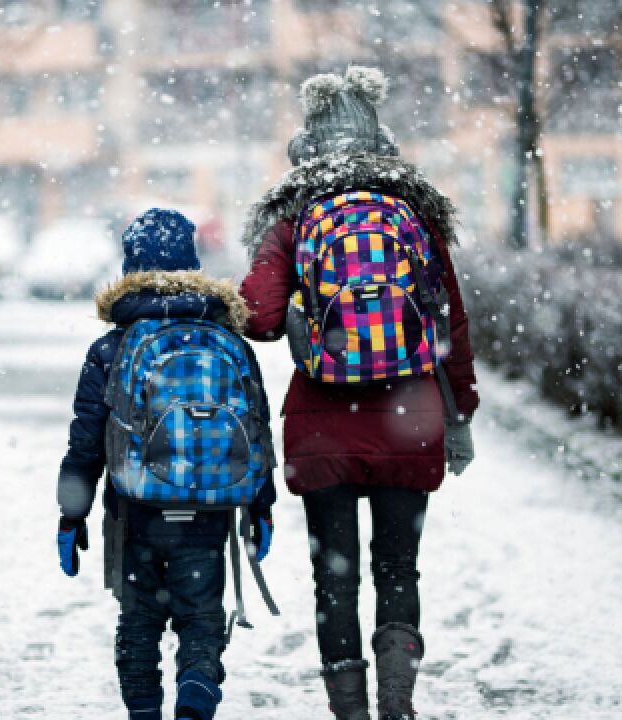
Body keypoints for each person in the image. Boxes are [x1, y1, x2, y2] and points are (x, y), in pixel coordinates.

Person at [238, 66, 480, 720]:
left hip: (324, 426)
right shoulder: (414, 213)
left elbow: (257, 317)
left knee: (335, 581)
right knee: (399, 570)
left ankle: (349, 711)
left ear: (306, 144)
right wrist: (461, 416)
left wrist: (296, 315)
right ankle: (397, 704)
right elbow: (450, 319)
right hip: (412, 416)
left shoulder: (294, 215)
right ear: (380, 141)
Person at [56, 208, 278, 720]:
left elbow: (86, 442)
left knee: (138, 622)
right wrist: (261, 507)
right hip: (208, 508)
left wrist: (72, 514)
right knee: (200, 617)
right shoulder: (229, 340)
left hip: (135, 511)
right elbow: (258, 431)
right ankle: (197, 694)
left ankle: (145, 712)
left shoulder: (112, 347)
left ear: (130, 267)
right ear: (193, 264)